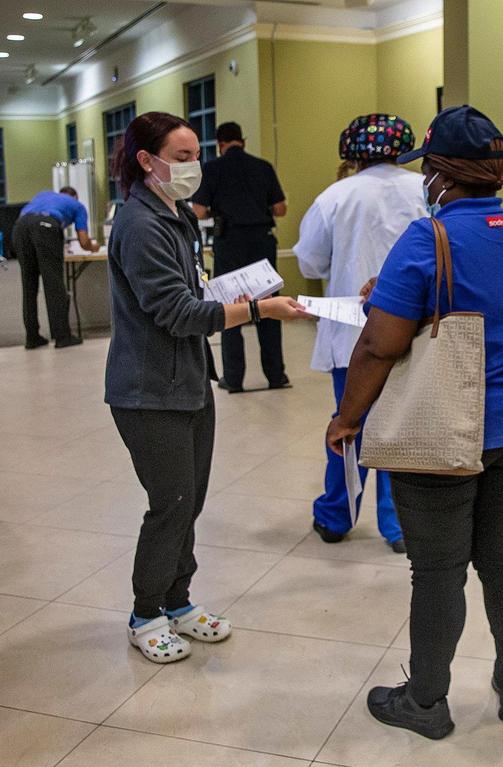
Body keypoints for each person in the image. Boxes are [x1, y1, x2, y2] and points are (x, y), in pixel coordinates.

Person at [325, 105, 503, 739]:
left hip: (447, 424)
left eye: (429, 171)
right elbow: (479, 311)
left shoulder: (430, 236)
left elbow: (379, 346)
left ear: (443, 175)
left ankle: (425, 702)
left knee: (439, 570)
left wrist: (348, 418)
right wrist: (390, 294)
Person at [107, 112, 309, 664]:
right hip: (149, 391)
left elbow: (190, 290)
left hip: (190, 382)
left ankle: (178, 600)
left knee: (188, 502)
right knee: (169, 503)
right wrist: (257, 309)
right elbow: (175, 312)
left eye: (197, 154)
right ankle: (145, 612)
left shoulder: (173, 215)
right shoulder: (142, 224)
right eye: (181, 156)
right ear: (146, 160)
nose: (194, 166)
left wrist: (233, 296)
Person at [294, 114, 426, 552]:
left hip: (352, 334)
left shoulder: (336, 195)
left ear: (350, 153)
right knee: (399, 429)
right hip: (412, 329)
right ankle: (400, 526)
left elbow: (310, 263)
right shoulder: (424, 189)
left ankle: (336, 516)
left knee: (349, 425)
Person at [191, 121, 290, 392]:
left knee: (231, 307)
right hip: (262, 244)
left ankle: (233, 379)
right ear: (242, 141)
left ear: (219, 144)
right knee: (268, 306)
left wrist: (217, 211)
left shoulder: (211, 168)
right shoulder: (263, 166)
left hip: (229, 243)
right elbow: (280, 209)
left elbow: (198, 212)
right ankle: (276, 375)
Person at [13, 186, 98, 348]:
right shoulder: (77, 206)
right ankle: (62, 336)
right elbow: (84, 241)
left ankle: (32, 338)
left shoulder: (43, 194)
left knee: (29, 284)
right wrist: (94, 247)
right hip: (46, 225)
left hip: (20, 227)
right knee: (53, 284)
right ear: (75, 197)